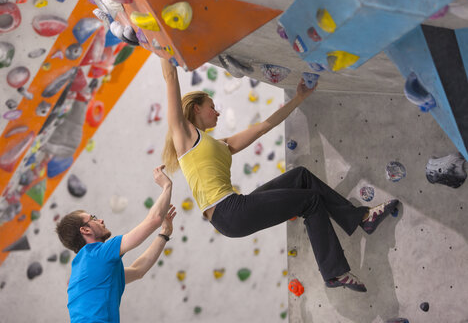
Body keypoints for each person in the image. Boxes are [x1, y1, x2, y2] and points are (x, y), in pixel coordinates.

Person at [160, 58, 399, 292]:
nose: (218, 113)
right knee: (311, 202)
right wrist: (163, 47)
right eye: (212, 106)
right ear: (196, 108)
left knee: (301, 177)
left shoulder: (219, 144)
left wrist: (298, 98)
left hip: (232, 210)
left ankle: (361, 219)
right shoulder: (184, 136)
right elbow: (170, 79)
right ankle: (334, 272)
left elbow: (264, 127)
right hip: (228, 211)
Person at [56, 165, 176, 322]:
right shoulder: (97, 254)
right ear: (85, 230)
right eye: (93, 218)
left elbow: (138, 270)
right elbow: (153, 220)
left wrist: (164, 233)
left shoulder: (88, 267)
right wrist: (167, 186)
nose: (101, 220)